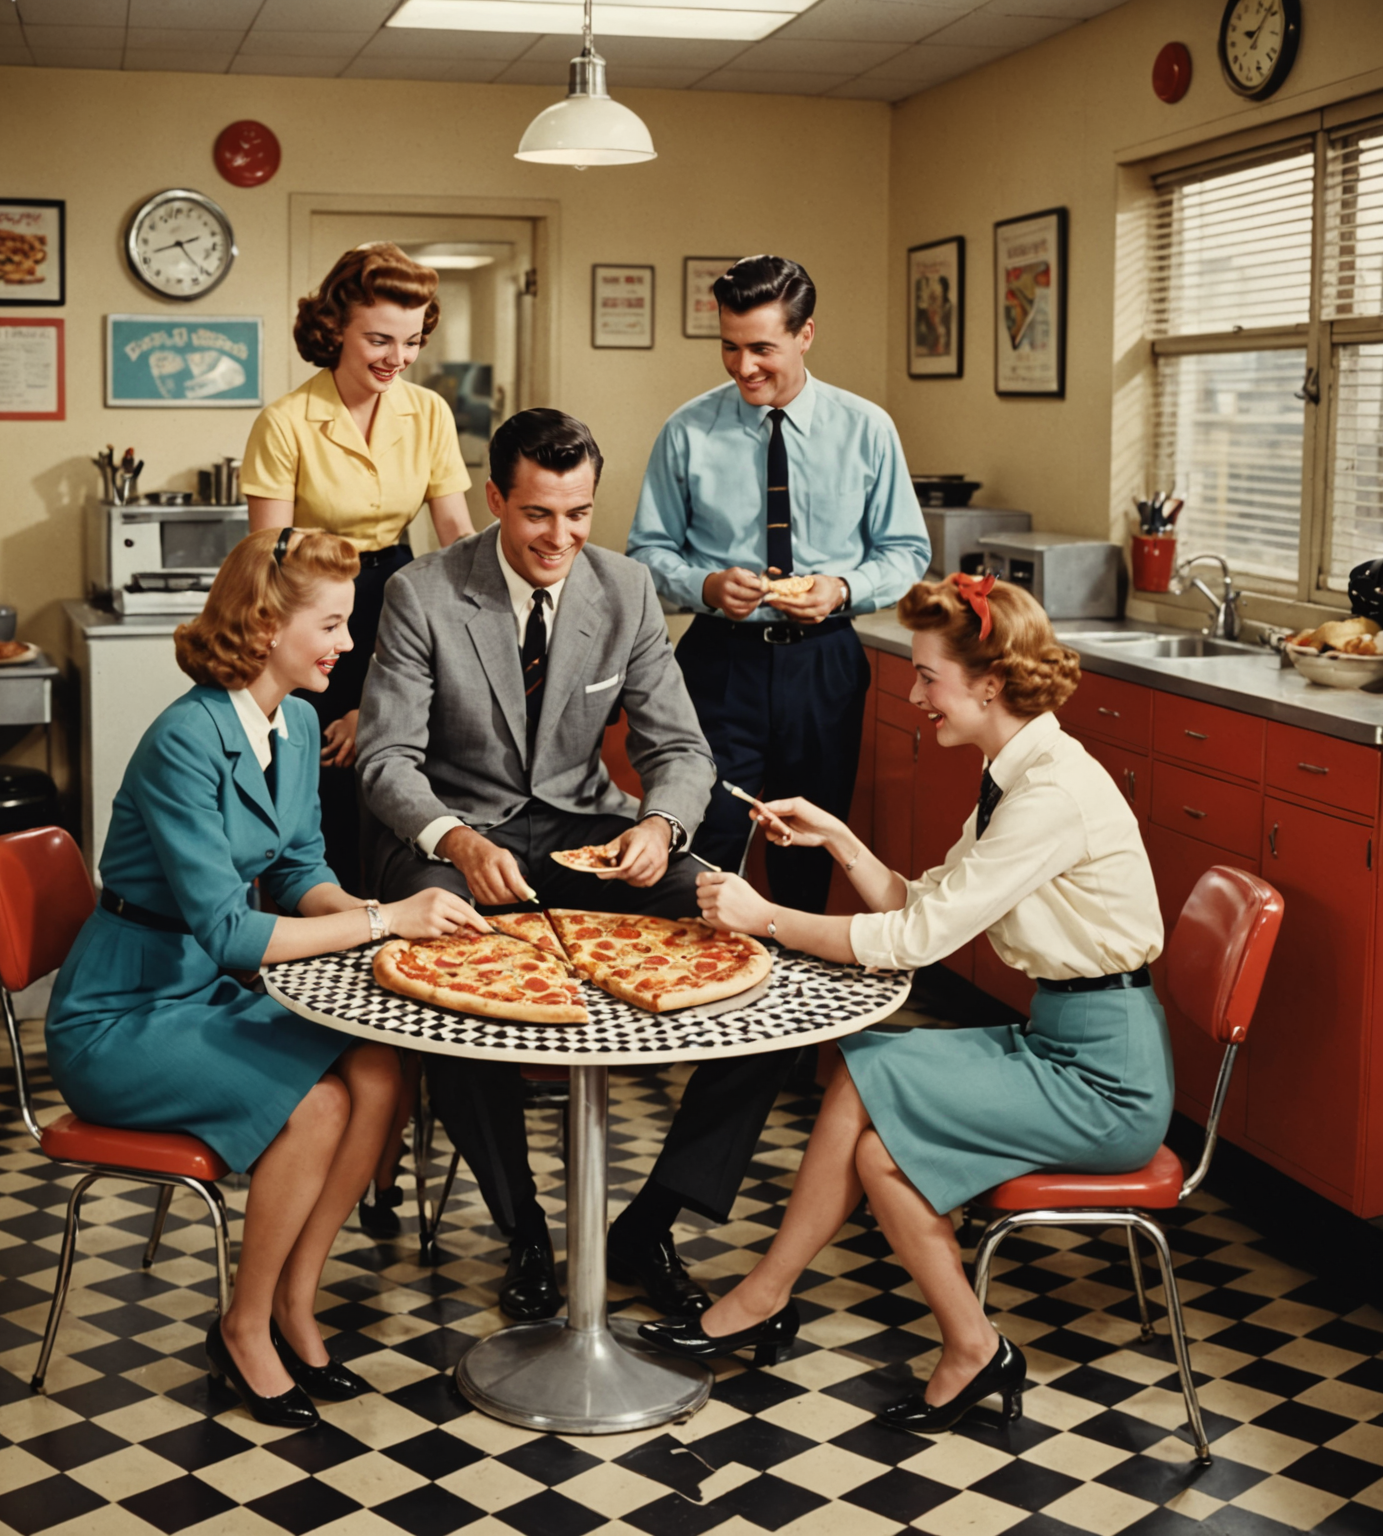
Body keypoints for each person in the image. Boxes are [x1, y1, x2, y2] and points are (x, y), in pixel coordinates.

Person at [642, 573, 1172, 1436]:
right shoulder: (1018, 771)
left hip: (1105, 1079)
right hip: (1064, 1040)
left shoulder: (1050, 795)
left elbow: (916, 943)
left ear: (988, 685)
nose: (915, 692)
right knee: (873, 1114)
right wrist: (839, 838)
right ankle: (957, 1343)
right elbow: (920, 905)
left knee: (868, 1094)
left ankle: (768, 1300)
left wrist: (765, 917)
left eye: (928, 675)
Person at [356, 408, 803, 1323]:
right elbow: (384, 760)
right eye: (537, 515)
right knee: (450, 992)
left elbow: (682, 750)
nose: (560, 537)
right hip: (459, 834)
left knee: (765, 970)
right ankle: (522, 1229)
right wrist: (455, 840)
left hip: (588, 836)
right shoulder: (422, 591)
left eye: (578, 514)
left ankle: (650, 1221)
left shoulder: (627, 589)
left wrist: (662, 828)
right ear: (494, 501)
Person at [45, 528, 485, 1430]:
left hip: (199, 989)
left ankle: (296, 1300)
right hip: (119, 1016)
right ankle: (245, 1326)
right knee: (319, 1104)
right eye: (330, 623)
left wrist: (379, 922)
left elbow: (294, 872)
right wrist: (384, 920)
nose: (347, 644)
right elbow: (226, 929)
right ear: (266, 623)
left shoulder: (288, 722)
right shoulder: (186, 740)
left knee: (378, 1067)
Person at [628, 254, 931, 913]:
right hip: (716, 663)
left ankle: (795, 1004)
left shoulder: (867, 429)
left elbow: (906, 551)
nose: (743, 368)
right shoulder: (687, 431)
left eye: (761, 348)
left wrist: (844, 589)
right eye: (730, 348)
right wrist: (705, 586)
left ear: (805, 335)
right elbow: (645, 552)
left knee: (806, 845)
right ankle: (689, 993)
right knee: (701, 844)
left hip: (824, 666)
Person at [242, 242, 474, 892]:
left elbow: (454, 532)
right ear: (334, 328)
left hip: (398, 596)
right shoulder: (285, 423)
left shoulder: (428, 411)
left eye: (410, 340)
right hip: (304, 605)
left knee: (396, 773)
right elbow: (271, 558)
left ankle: (391, 939)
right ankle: (311, 942)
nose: (395, 359)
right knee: (318, 784)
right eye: (378, 339)